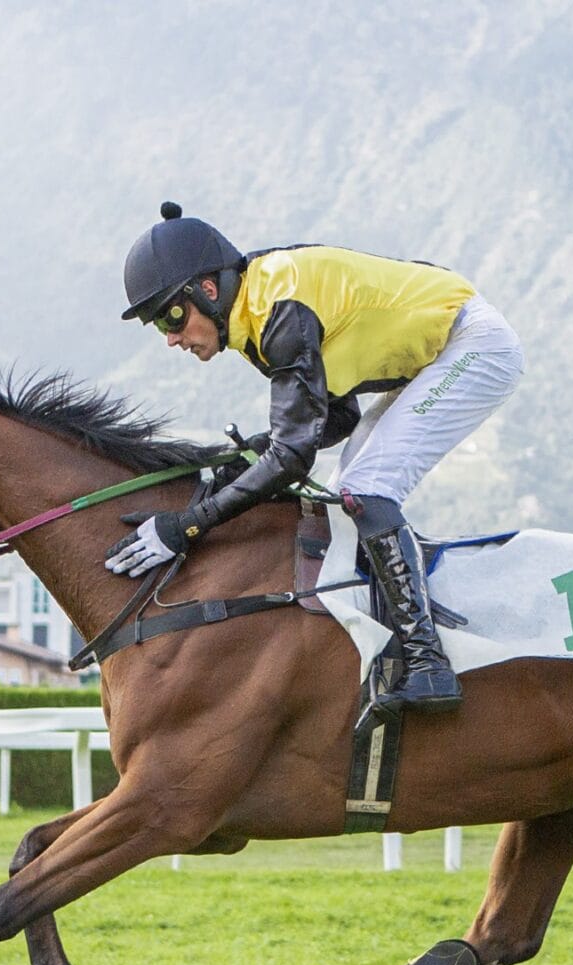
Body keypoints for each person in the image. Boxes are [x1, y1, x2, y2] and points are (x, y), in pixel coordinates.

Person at [105, 202, 524, 715]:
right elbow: (336, 418)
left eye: (172, 316)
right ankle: (396, 644)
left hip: (471, 346)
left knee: (364, 488)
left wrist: (189, 524)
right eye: (158, 326)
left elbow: (293, 456)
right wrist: (250, 455)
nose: (171, 338)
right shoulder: (255, 313)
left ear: (207, 290)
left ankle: (427, 662)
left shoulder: (277, 309)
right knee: (350, 491)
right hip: (437, 354)